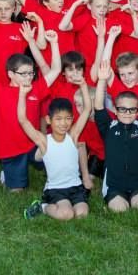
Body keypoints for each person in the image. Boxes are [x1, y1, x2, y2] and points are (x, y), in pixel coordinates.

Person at [0, 27, 62, 191]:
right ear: (11, 74)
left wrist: (55, 43)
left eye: (31, 73)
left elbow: (56, 70)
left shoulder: (36, 88)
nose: (29, 77)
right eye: (24, 74)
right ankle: (7, 174)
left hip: (32, 143)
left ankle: (51, 172)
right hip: (10, 148)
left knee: (54, 151)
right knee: (17, 191)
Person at [19, 83, 93, 221]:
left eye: (68, 118)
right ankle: (43, 207)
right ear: (48, 120)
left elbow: (87, 109)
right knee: (66, 214)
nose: (63, 123)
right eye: (58, 119)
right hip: (56, 189)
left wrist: (83, 85)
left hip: (76, 186)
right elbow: (23, 120)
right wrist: (22, 95)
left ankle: (72, 204)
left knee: (82, 214)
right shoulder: (44, 141)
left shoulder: (73, 136)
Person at [93, 61, 138, 212]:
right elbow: (98, 106)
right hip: (114, 185)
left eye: (131, 110)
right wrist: (102, 80)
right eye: (122, 109)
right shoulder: (108, 127)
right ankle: (116, 199)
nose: (127, 113)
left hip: (137, 183)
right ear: (115, 110)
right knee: (120, 210)